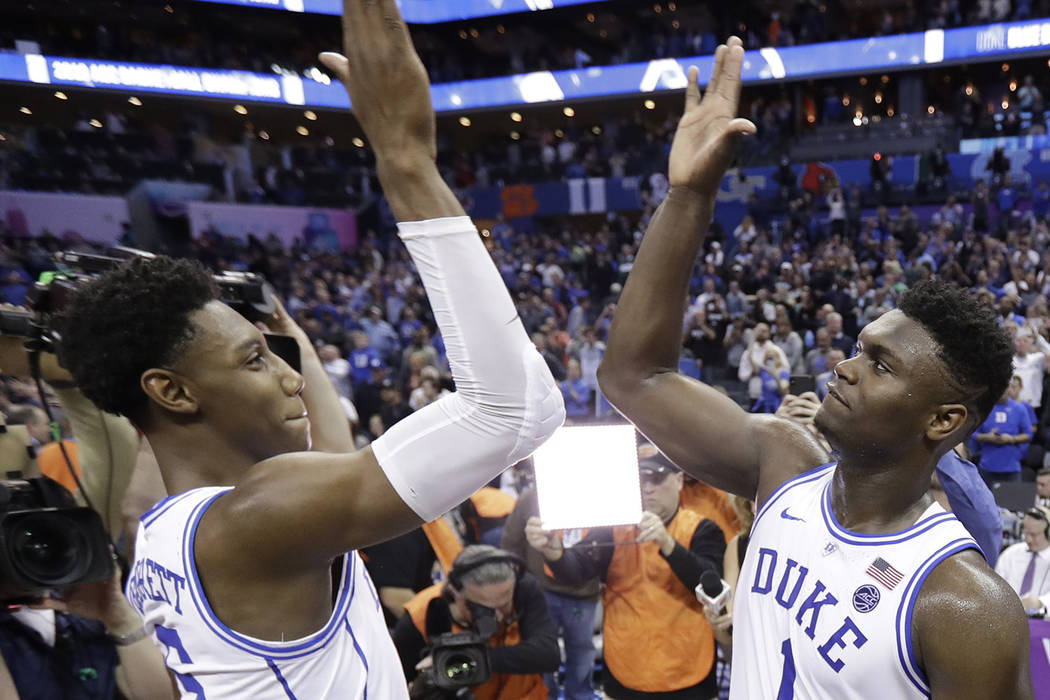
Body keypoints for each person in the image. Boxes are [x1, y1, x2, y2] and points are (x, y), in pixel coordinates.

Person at [53, 2, 566, 696]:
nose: (289, 378)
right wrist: (408, 164)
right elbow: (514, 413)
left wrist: (280, 331)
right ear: (171, 390)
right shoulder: (262, 515)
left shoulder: (161, 535)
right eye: (253, 361)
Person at [597, 36, 1031, 699]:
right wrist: (687, 196)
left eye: (880, 366)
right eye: (859, 348)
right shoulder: (783, 462)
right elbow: (632, 377)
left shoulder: (964, 604)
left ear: (943, 418)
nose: (845, 368)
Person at [526, 455, 726, 699]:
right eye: (642, 479)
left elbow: (711, 587)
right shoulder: (613, 526)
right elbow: (577, 572)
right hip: (626, 665)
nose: (648, 487)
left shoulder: (703, 529)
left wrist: (667, 544)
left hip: (688, 667)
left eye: (657, 478)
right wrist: (552, 551)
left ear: (679, 480)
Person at [392, 545, 559, 700]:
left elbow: (548, 654)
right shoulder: (417, 621)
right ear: (455, 593)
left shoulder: (523, 589)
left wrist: (469, 659)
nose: (499, 618)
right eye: (485, 610)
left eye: (505, 605)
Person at [502, 487, 600, 700]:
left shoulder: (596, 490)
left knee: (581, 651)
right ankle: (544, 695)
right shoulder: (532, 496)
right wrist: (517, 582)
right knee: (542, 653)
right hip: (541, 590)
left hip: (583, 591)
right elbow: (512, 542)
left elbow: (605, 544)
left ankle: (580, 695)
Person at [995, 506, 1050, 616]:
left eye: (1034, 535)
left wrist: (1039, 602)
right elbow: (995, 588)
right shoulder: (1010, 554)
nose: (1028, 539)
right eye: (1026, 533)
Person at [974, 386, 1032, 485]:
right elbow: (972, 433)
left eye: (1006, 386)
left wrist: (1011, 439)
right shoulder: (983, 409)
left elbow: (1028, 435)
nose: (1003, 390)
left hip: (1011, 468)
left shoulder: (1019, 409)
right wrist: (986, 437)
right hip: (987, 467)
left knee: (1012, 500)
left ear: (1010, 388)